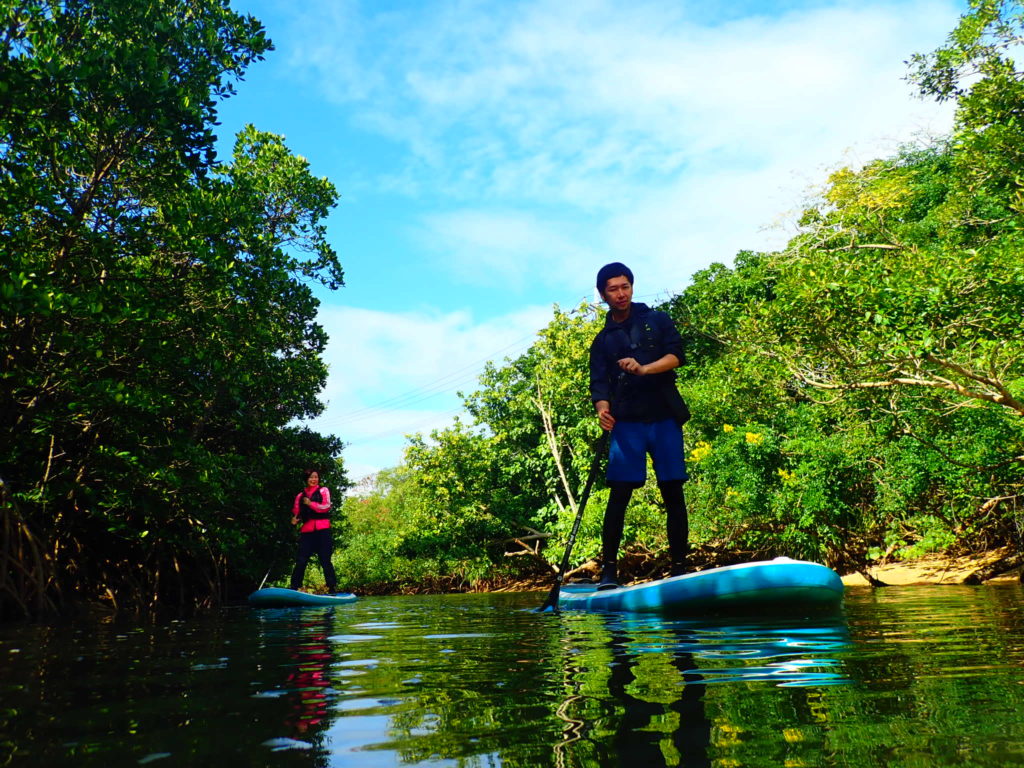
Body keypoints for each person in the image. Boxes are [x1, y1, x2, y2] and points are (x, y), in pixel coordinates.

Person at [589, 262, 690, 590]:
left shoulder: (656, 321)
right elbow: (599, 385)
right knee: (619, 495)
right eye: (613, 289)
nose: (620, 294)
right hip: (626, 424)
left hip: (663, 416)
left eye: (625, 287)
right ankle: (608, 572)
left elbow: (676, 356)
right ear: (603, 294)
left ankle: (679, 567)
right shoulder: (602, 340)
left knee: (672, 490)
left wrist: (645, 369)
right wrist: (603, 410)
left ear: (632, 287)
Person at [289, 469, 339, 594]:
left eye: (316, 477)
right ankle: (294, 587)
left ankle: (332, 587)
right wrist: (295, 519)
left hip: (323, 530)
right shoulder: (300, 496)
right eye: (311, 477)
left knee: (325, 559)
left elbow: (326, 506)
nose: (313, 479)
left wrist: (311, 503)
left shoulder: (324, 490)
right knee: (301, 560)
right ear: (306, 479)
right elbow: (297, 512)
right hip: (307, 531)